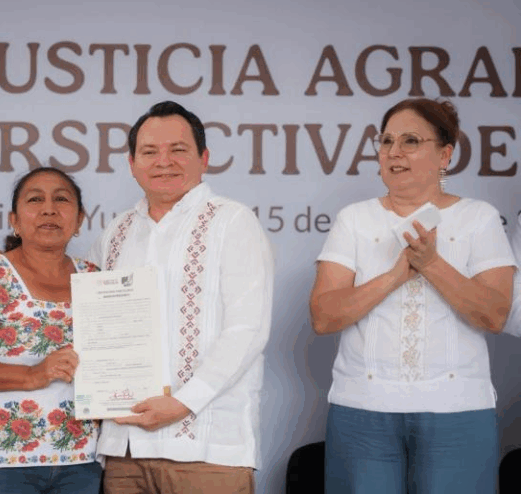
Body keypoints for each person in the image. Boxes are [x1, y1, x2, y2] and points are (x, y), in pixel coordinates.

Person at [310, 98, 517, 493]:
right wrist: (395, 275)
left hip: (457, 413)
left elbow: (494, 315)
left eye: (410, 141)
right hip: (363, 412)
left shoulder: (479, 218)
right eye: (386, 141)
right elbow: (323, 316)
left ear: (445, 154)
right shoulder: (354, 219)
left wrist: (432, 264)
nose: (394, 152)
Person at [88, 100, 274, 494]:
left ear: (204, 158)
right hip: (125, 450)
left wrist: (184, 402)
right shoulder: (115, 233)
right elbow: (96, 327)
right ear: (132, 162)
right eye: (150, 152)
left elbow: (248, 330)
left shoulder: (231, 221)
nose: (163, 162)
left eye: (178, 150)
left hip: (208, 449)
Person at [0, 167, 102, 494]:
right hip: (2, 463)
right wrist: (32, 375)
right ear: (15, 219)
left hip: (81, 458)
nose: (49, 209)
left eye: (62, 200)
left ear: (80, 219)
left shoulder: (95, 278)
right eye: (35, 199)